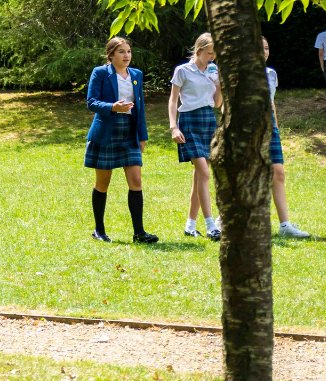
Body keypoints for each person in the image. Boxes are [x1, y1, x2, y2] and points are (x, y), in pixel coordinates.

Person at [84, 37, 156, 243]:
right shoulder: (100, 73)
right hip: (106, 131)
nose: (127, 56)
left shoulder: (136, 75)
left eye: (129, 51)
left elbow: (140, 108)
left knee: (136, 181)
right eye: (121, 52)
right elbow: (91, 102)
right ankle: (99, 230)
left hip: (130, 131)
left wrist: (143, 135)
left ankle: (139, 233)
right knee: (102, 183)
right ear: (111, 55)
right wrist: (113, 107)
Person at [168, 32, 222, 240]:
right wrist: (174, 127)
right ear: (199, 50)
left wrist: (219, 83)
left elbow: (217, 103)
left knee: (200, 176)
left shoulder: (213, 71)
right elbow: (173, 101)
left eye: (214, 55)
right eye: (209, 53)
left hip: (208, 120)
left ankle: (190, 225)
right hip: (189, 121)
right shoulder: (183, 70)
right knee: (204, 173)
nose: (212, 58)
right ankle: (210, 225)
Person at [264, 38, 310, 238]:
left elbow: (271, 102)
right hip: (247, 130)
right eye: (259, 48)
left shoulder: (271, 74)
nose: (264, 51)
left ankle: (285, 226)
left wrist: (275, 125)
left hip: (270, 128)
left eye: (266, 47)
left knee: (278, 173)